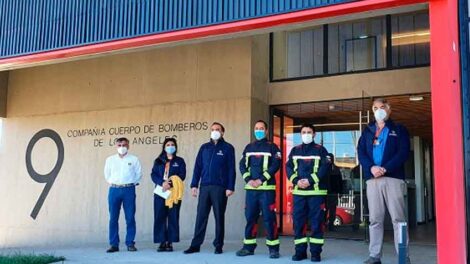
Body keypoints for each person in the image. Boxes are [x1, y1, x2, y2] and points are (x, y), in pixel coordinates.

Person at [358, 98, 411, 264]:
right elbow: (361, 152)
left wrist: (385, 168)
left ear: (389, 109)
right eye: (375, 108)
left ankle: (403, 257)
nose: (379, 110)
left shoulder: (399, 129)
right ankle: (374, 256)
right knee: (375, 220)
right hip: (373, 179)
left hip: (393, 179)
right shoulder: (367, 131)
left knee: (399, 220)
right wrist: (372, 168)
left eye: (382, 107)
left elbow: (403, 153)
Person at [184, 122, 236, 255]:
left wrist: (230, 187)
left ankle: (218, 245)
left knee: (219, 217)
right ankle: (195, 245)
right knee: (201, 216)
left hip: (220, 187)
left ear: (222, 132)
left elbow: (231, 169)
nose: (215, 131)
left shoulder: (228, 148)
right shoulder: (204, 148)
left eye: (217, 129)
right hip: (205, 187)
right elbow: (198, 167)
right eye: (212, 129)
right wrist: (194, 184)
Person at [235, 120, 282, 259]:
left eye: (261, 128)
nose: (259, 130)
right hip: (251, 190)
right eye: (256, 128)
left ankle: (273, 249)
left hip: (266, 190)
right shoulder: (248, 147)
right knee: (250, 218)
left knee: (269, 219)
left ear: (266, 131)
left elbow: (275, 165)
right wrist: (249, 180)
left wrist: (261, 180)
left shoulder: (273, 147)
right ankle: (248, 247)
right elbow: (242, 165)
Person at [286, 124, 330, 262]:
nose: (306, 134)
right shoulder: (295, 150)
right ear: (300, 134)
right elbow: (288, 168)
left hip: (316, 193)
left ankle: (316, 253)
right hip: (299, 193)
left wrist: (310, 180)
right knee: (298, 223)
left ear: (314, 134)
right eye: (304, 132)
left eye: (309, 132)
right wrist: (296, 181)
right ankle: (300, 252)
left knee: (317, 223)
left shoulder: (321, 150)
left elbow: (325, 168)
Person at [104, 137, 142, 253]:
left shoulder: (134, 159)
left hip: (129, 190)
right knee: (113, 218)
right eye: (119, 145)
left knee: (130, 217)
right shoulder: (110, 159)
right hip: (114, 190)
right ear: (116, 146)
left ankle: (130, 243)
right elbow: (106, 174)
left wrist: (131, 183)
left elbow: (139, 174)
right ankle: (113, 244)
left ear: (128, 146)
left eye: (124, 145)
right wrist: (114, 183)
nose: (122, 147)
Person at [151, 138, 186, 252]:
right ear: (164, 147)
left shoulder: (180, 161)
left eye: (172, 144)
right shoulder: (158, 160)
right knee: (160, 216)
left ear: (175, 147)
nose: (170, 146)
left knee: (173, 216)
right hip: (160, 192)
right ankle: (161, 241)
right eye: (168, 144)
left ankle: (170, 242)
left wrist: (170, 183)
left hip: (173, 192)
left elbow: (182, 175)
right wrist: (162, 183)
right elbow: (153, 174)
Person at [326, 153, 343, 231]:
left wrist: (340, 192)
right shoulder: (323, 168)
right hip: (324, 192)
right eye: (328, 158)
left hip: (333, 193)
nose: (329, 160)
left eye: (331, 158)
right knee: (324, 210)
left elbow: (339, 181)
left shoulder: (336, 169)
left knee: (332, 210)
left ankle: (331, 225)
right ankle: (323, 224)